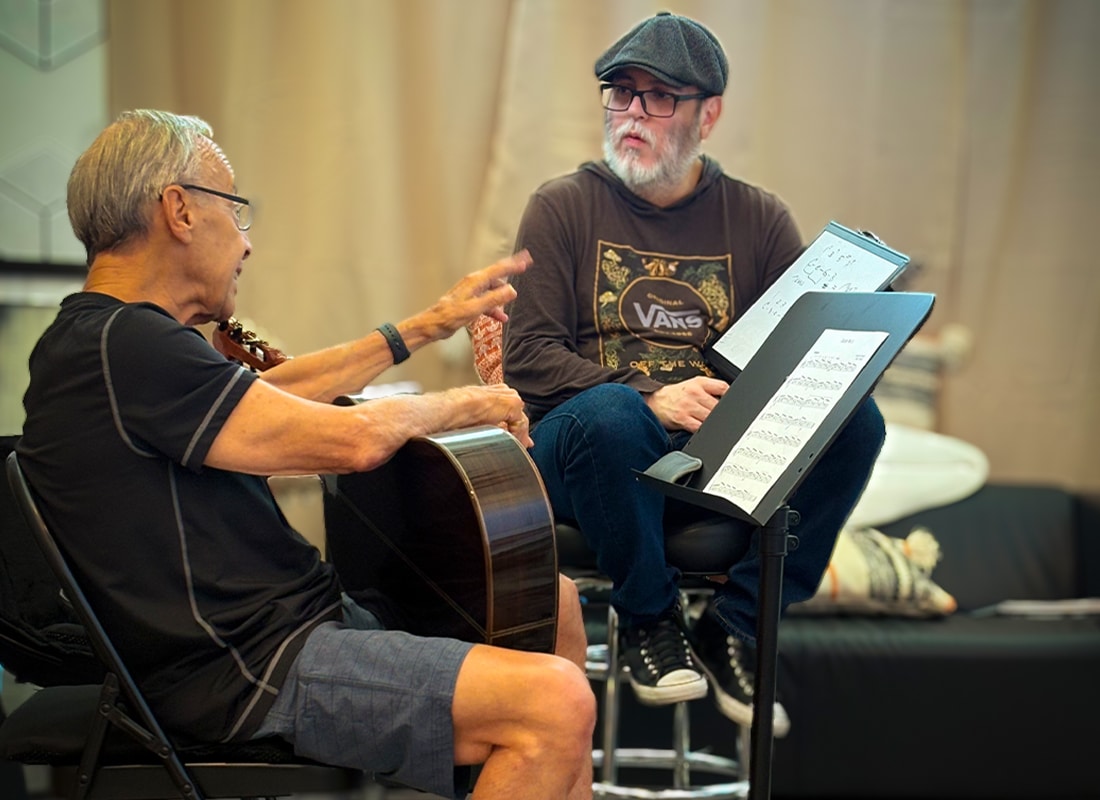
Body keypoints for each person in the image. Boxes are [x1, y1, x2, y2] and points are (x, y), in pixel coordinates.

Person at [16, 109, 596, 800]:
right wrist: (469, 405)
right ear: (178, 210)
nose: (246, 243)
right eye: (237, 210)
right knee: (554, 704)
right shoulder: (124, 346)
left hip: (292, 629)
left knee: (553, 602)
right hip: (251, 669)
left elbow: (268, 399)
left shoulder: (111, 343)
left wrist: (423, 327)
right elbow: (349, 442)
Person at [502, 12, 886, 736]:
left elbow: (789, 362)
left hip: (712, 463)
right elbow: (528, 359)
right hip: (585, 456)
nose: (633, 115)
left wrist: (845, 336)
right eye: (621, 93)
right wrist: (653, 395)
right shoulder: (563, 206)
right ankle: (647, 618)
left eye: (659, 98)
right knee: (615, 413)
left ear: (708, 115)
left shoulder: (760, 220)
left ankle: (736, 624)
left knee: (858, 422)